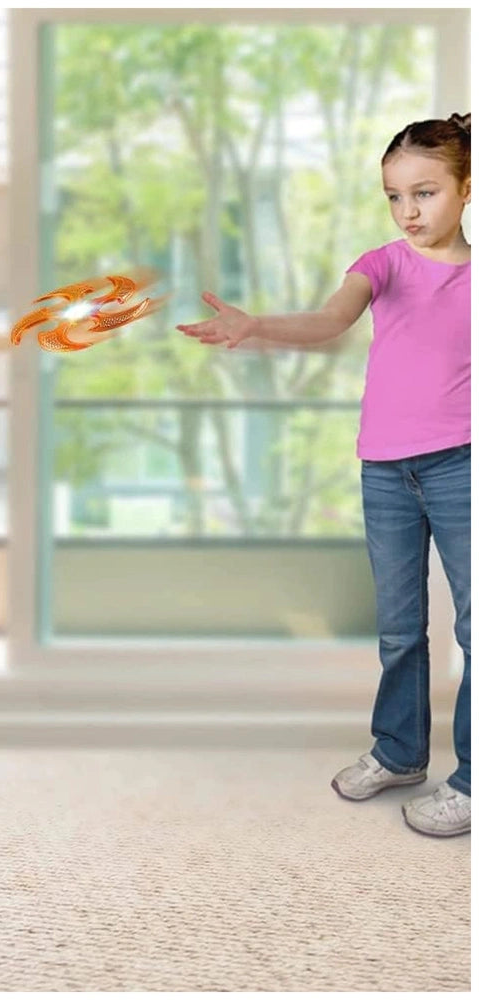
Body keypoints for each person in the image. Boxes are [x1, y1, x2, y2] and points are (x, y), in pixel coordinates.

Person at [176, 113, 470, 838]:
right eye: (395, 196)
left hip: (462, 468)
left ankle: (470, 779)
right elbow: (331, 320)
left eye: (426, 193)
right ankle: (401, 752)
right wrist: (258, 326)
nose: (409, 211)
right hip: (385, 472)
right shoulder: (382, 264)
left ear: (467, 189)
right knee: (401, 628)